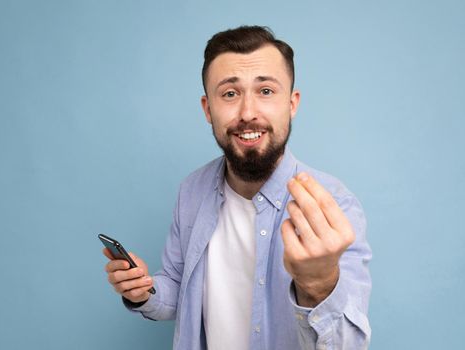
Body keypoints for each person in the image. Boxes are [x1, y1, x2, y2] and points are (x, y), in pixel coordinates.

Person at [102, 25, 372, 350]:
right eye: (230, 94)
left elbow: (349, 346)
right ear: (207, 109)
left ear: (292, 103)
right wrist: (144, 290)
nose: (247, 113)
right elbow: (180, 291)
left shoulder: (334, 205)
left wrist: (319, 284)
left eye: (266, 91)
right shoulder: (191, 191)